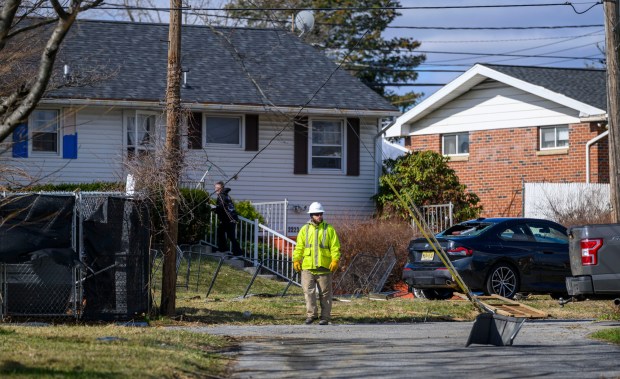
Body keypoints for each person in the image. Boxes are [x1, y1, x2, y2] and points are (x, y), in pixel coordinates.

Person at [292, 202, 341, 325]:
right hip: (308, 267)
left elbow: (335, 247)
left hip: (324, 267)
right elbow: (299, 247)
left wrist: (335, 260)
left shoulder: (329, 229)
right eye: (316, 214)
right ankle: (311, 315)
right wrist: (296, 260)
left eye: (320, 214)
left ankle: (325, 317)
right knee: (308, 293)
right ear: (311, 215)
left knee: (325, 295)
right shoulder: (304, 230)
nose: (319, 216)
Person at [213, 181, 243, 257]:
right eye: (215, 187)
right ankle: (224, 249)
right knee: (221, 232)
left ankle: (238, 254)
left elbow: (221, 207)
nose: (216, 189)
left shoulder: (221, 196)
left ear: (221, 188)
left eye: (217, 188)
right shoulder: (225, 195)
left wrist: (214, 210)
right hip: (229, 219)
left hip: (229, 219)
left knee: (231, 236)